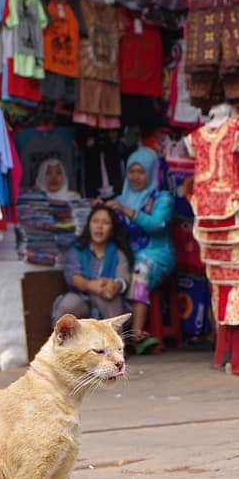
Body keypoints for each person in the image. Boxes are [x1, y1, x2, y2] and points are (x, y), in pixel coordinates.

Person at [104, 147, 176, 353]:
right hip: (128, 254)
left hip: (157, 254)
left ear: (152, 173)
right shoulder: (120, 198)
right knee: (110, 266)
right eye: (131, 172)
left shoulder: (163, 198)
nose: (135, 177)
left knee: (140, 269)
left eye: (141, 172)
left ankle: (135, 334)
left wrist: (128, 212)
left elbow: (156, 224)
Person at [52, 205, 132, 323]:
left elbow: (123, 277)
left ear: (112, 229)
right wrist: (90, 285)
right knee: (68, 306)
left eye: (105, 223)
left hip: (107, 297)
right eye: (95, 221)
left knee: (110, 301)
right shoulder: (77, 249)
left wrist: (115, 286)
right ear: (89, 224)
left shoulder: (118, 253)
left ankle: (115, 340)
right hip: (82, 297)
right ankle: (61, 341)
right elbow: (73, 276)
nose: (99, 227)